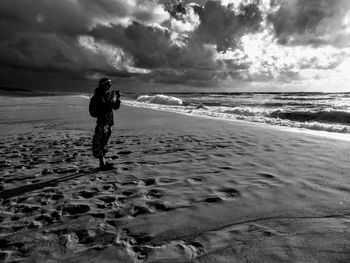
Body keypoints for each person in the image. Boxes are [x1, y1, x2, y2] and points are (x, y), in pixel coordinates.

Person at [90, 77, 121, 170]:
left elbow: (115, 107)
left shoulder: (109, 96)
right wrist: (104, 109)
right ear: (103, 86)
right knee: (100, 143)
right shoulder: (97, 97)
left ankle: (103, 163)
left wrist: (117, 99)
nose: (110, 86)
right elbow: (92, 112)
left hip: (109, 122)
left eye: (110, 84)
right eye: (108, 84)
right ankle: (102, 164)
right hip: (102, 122)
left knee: (104, 144)